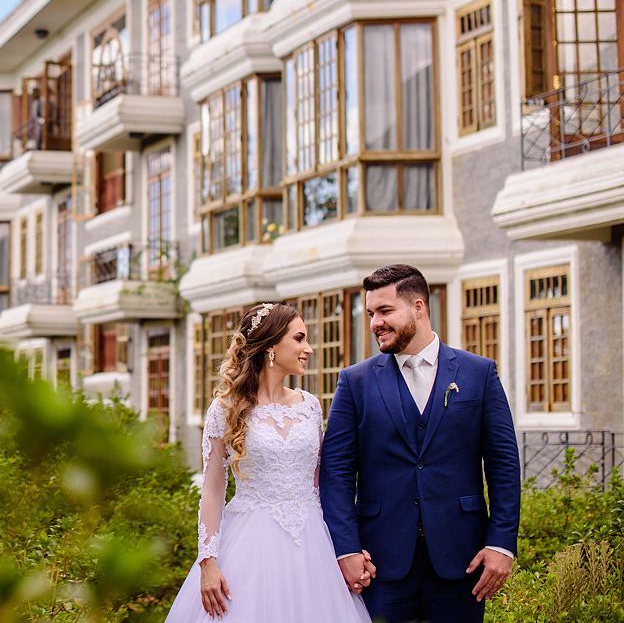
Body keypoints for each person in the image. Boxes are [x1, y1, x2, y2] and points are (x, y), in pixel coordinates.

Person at [320, 264, 521, 623]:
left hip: (463, 558)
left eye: (385, 311)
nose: (375, 322)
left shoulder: (479, 373)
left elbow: (503, 465)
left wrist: (501, 544)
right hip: (379, 562)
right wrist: (345, 549)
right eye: (370, 313)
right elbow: (336, 473)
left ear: (418, 307)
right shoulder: (355, 382)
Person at [164, 302, 372, 622]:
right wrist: (207, 562)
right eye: (300, 338)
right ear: (272, 345)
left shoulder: (310, 406)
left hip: (312, 545)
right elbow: (213, 489)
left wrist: (347, 548)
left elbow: (321, 486)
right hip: (250, 544)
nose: (309, 349)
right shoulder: (225, 409)